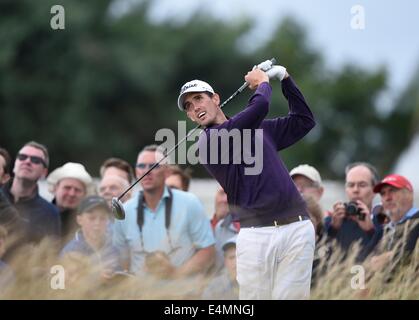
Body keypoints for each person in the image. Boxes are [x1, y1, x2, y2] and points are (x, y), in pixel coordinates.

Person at [178, 62, 316, 299]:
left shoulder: (259, 130)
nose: (195, 107)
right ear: (190, 117)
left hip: (297, 229)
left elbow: (304, 120)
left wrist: (285, 79)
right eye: (189, 107)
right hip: (256, 236)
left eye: (199, 98)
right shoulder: (208, 143)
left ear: (216, 99)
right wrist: (262, 82)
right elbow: (260, 104)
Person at [113, 145, 215, 278]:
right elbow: (122, 258)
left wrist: (176, 274)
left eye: (154, 166)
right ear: (136, 172)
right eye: (141, 166)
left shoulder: (190, 203)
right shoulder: (125, 210)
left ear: (167, 172)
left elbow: (208, 250)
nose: (146, 172)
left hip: (180, 293)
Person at [1, 141, 60, 245]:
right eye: (22, 157)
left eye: (35, 160)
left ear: (44, 172)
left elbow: (49, 254)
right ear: (15, 164)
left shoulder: (50, 213)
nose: (27, 161)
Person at [324, 162, 380, 258]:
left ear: (374, 190)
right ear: (345, 189)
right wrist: (333, 229)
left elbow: (387, 253)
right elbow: (320, 256)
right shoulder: (332, 222)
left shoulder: (383, 223)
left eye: (362, 185)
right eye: (350, 185)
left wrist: (370, 230)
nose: (355, 190)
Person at [368, 174, 418, 278]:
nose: (387, 197)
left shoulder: (416, 221)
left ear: (409, 194)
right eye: (383, 194)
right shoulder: (385, 228)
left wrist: (388, 257)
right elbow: (368, 260)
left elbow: (408, 254)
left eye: (393, 191)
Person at [61, 195, 122, 281]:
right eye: (92, 218)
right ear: (79, 220)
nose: (97, 223)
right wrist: (95, 279)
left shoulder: (113, 247)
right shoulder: (71, 250)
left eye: (103, 218)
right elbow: (66, 284)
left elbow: (120, 274)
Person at [47, 162, 92, 239]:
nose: (72, 194)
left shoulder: (90, 223)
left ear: (85, 194)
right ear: (55, 189)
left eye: (77, 190)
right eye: (67, 188)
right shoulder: (40, 214)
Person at [211, 186, 239, 273]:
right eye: (222, 193)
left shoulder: (250, 228)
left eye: (230, 194)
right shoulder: (204, 228)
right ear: (215, 196)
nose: (225, 199)